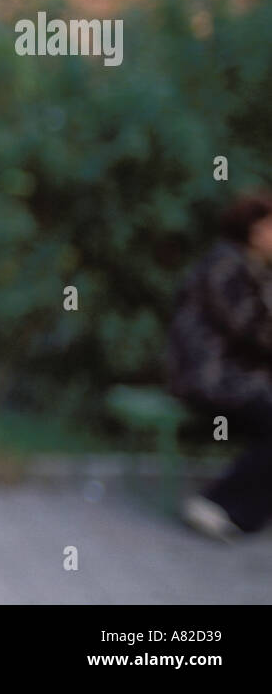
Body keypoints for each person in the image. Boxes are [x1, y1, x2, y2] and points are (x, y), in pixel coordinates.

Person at [165, 191, 272, 541]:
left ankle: (241, 514)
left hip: (231, 377)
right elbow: (250, 329)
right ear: (253, 229)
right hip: (211, 380)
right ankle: (218, 505)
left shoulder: (248, 266)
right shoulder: (227, 263)